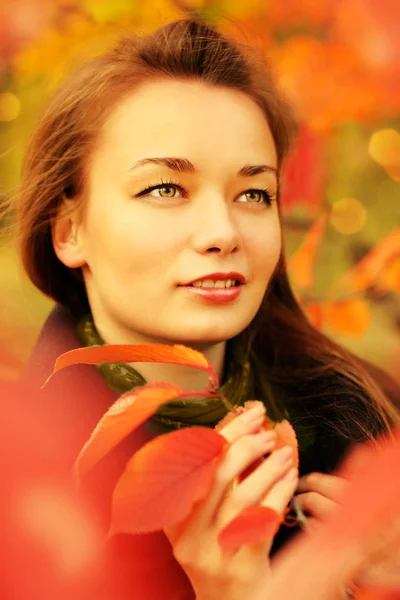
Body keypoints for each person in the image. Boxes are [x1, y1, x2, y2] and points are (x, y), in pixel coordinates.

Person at [7, 15, 400, 600]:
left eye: (252, 193)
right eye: (165, 189)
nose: (223, 231)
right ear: (69, 231)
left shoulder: (371, 426)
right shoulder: (26, 489)